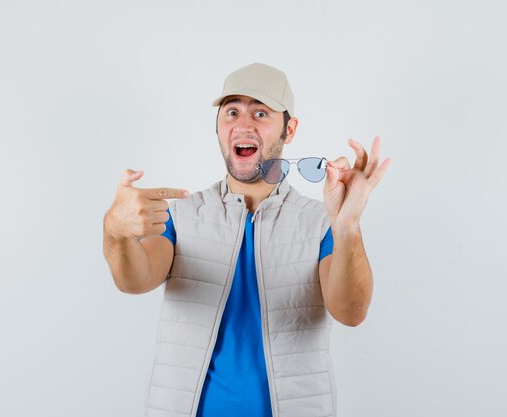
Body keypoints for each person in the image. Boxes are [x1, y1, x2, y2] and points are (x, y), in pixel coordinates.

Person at [103, 63, 391, 417]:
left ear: (290, 128)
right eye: (232, 111)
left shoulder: (320, 223)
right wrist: (115, 234)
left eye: (260, 112)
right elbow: (134, 280)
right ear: (219, 127)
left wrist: (347, 228)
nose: (243, 124)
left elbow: (351, 312)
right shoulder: (182, 215)